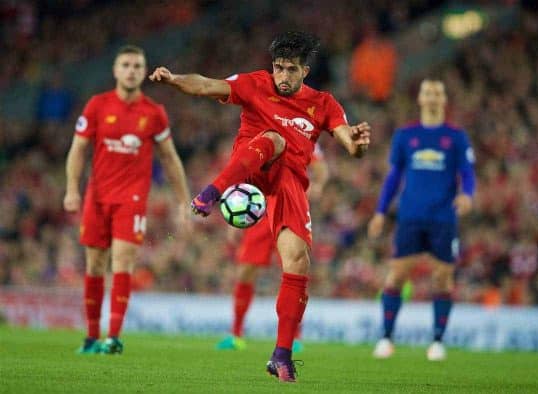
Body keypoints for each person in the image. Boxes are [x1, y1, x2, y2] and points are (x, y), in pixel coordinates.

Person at [150, 31, 370, 382]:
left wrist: (357, 144)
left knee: (298, 262)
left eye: (291, 70)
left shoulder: (324, 104)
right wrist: (175, 79)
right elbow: (208, 86)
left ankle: (281, 355)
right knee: (274, 138)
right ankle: (211, 193)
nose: (282, 76)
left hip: (288, 183)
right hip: (248, 170)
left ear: (305, 72)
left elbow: (348, 141)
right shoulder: (255, 84)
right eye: (278, 68)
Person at [64, 45, 191, 355]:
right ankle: (92, 337)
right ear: (116, 70)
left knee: (122, 261)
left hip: (132, 198)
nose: (132, 70)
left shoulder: (154, 112)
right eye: (126, 65)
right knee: (94, 264)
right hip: (98, 196)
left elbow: (171, 158)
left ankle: (114, 337)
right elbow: (78, 148)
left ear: (143, 71)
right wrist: (71, 189)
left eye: (137, 65)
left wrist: (182, 200)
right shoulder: (97, 105)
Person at [368, 79, 476, 361]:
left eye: (437, 93)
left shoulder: (456, 136)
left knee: (443, 277)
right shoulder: (406, 135)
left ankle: (438, 341)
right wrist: (380, 211)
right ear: (419, 98)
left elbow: (467, 171)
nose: (431, 97)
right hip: (410, 215)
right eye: (427, 92)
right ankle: (386, 337)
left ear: (444, 99)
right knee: (398, 274)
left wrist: (467, 195)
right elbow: (393, 177)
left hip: (443, 216)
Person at [216, 144, 329, 352]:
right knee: (245, 270)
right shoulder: (258, 136)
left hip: (288, 207)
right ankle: (236, 334)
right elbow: (241, 171)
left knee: (293, 270)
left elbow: (320, 168)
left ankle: (294, 336)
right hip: (258, 210)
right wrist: (234, 219)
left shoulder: (300, 132)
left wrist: (318, 185)